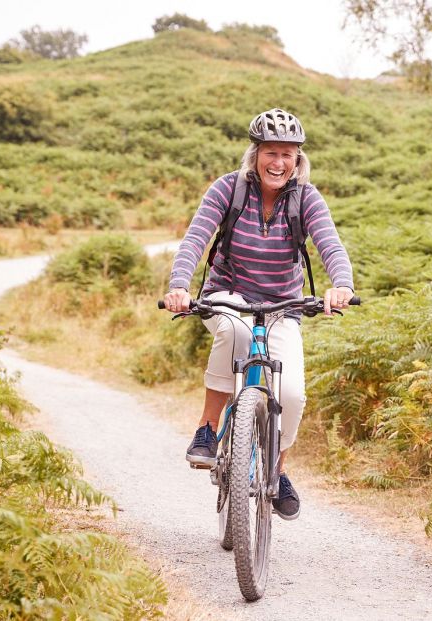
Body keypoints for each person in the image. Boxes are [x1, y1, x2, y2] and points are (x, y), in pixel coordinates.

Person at [163, 108, 355, 520]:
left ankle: (278, 470)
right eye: (271, 152)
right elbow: (195, 238)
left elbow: (330, 245)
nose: (279, 162)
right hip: (228, 294)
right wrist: (179, 285)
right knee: (235, 333)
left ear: (298, 160)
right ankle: (208, 429)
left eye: (288, 154)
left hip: (283, 304)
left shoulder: (306, 197)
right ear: (255, 155)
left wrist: (342, 285)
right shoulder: (227, 190)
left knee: (292, 394)